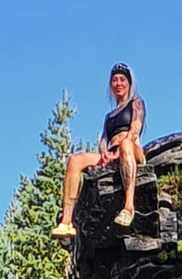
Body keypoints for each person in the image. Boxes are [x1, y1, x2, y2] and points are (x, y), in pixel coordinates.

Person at [54, 65, 145, 238]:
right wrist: (105, 153)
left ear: (129, 83)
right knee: (74, 160)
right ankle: (66, 221)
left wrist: (119, 149)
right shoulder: (109, 116)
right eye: (115, 80)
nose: (118, 83)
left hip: (131, 150)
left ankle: (128, 207)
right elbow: (104, 140)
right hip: (111, 153)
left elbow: (135, 130)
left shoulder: (136, 103)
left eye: (122, 79)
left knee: (126, 144)